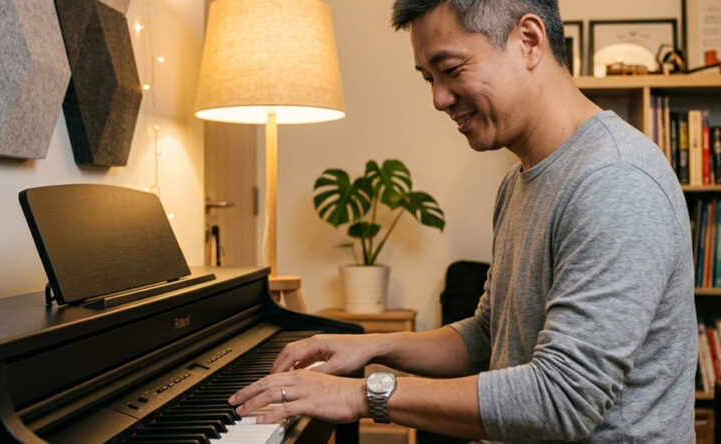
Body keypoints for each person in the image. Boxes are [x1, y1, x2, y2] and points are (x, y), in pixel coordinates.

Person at [228, 0, 697, 441]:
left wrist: (361, 394)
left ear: (529, 41)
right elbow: (488, 333)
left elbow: (565, 397)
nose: (438, 98)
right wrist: (372, 347)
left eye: (450, 70)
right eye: (427, 77)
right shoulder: (518, 183)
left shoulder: (614, 180)